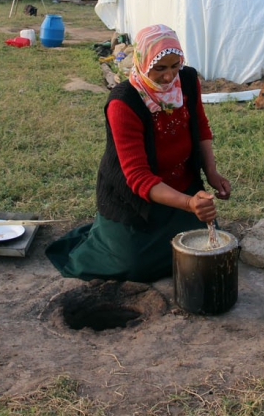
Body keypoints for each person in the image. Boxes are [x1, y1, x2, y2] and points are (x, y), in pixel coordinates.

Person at [46, 24, 232, 282]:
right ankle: (102, 236)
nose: (169, 77)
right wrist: (189, 204)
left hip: (181, 188)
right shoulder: (124, 103)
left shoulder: (187, 80)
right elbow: (137, 177)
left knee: (204, 247)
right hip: (134, 201)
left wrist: (211, 172)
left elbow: (200, 125)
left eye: (175, 65)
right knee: (133, 267)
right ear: (143, 62)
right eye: (160, 68)